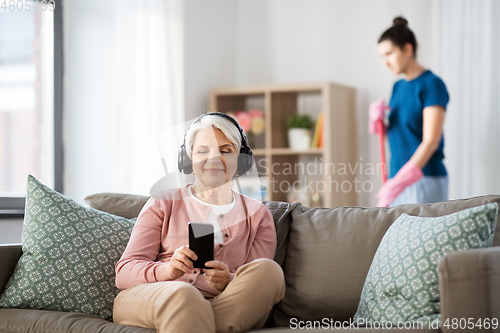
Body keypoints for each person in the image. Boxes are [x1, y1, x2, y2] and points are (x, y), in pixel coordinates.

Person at [113, 112, 285, 333]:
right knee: (184, 295)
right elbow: (125, 272)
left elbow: (253, 281)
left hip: (222, 303)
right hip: (157, 294)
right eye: (203, 150)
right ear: (188, 158)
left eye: (225, 150)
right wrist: (169, 270)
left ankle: (199, 322)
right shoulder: (162, 203)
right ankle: (197, 317)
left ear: (241, 160)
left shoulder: (257, 214)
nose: (214, 159)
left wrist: (229, 280)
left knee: (269, 271)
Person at [369, 17, 450, 207]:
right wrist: (376, 122)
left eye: (388, 54)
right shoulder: (397, 87)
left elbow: (431, 141)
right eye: (381, 56)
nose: (385, 62)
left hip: (425, 179)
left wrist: (400, 182)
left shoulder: (431, 84)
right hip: (397, 178)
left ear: (407, 49)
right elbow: (399, 137)